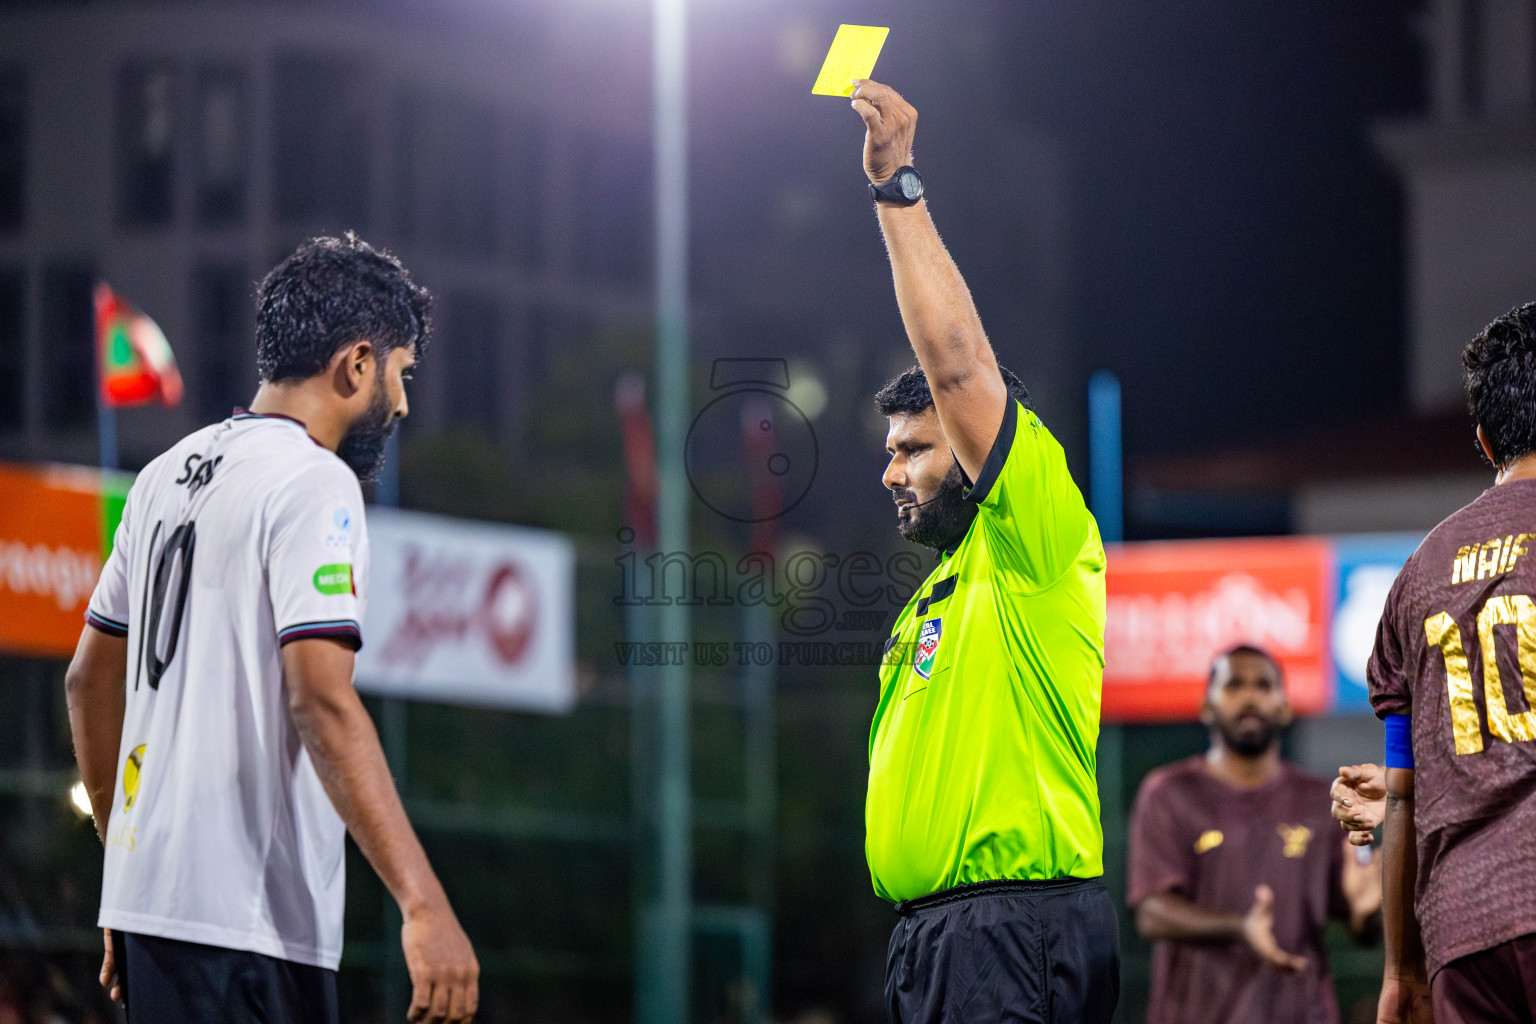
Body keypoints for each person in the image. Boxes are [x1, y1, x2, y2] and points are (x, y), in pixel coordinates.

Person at [63, 235, 479, 1024]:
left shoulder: (162, 476)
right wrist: (424, 905)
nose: (402, 403)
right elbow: (319, 698)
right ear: (358, 363)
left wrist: (128, 871)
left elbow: (86, 682)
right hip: (249, 933)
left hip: (156, 921)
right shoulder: (314, 479)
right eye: (402, 373)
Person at [854, 80, 1120, 1023]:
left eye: (913, 449)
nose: (891, 472)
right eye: (888, 453)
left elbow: (958, 363)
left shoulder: (1040, 539)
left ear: (973, 447)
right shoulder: (942, 594)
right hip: (932, 944)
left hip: (1013, 935)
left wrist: (896, 188)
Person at [1338, 302, 1536, 1024]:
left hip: (1465, 929)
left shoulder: (1418, 575)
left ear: (1484, 439)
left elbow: (1402, 794)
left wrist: (1401, 969)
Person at [1128, 646, 1382, 1024]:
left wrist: (1367, 911)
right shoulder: (1168, 793)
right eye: (1234, 685)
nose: (1250, 696)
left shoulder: (1320, 800)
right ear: (1207, 707)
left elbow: (1364, 934)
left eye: (1263, 686)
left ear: (1284, 707)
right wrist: (1240, 928)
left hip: (1301, 1012)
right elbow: (1151, 913)